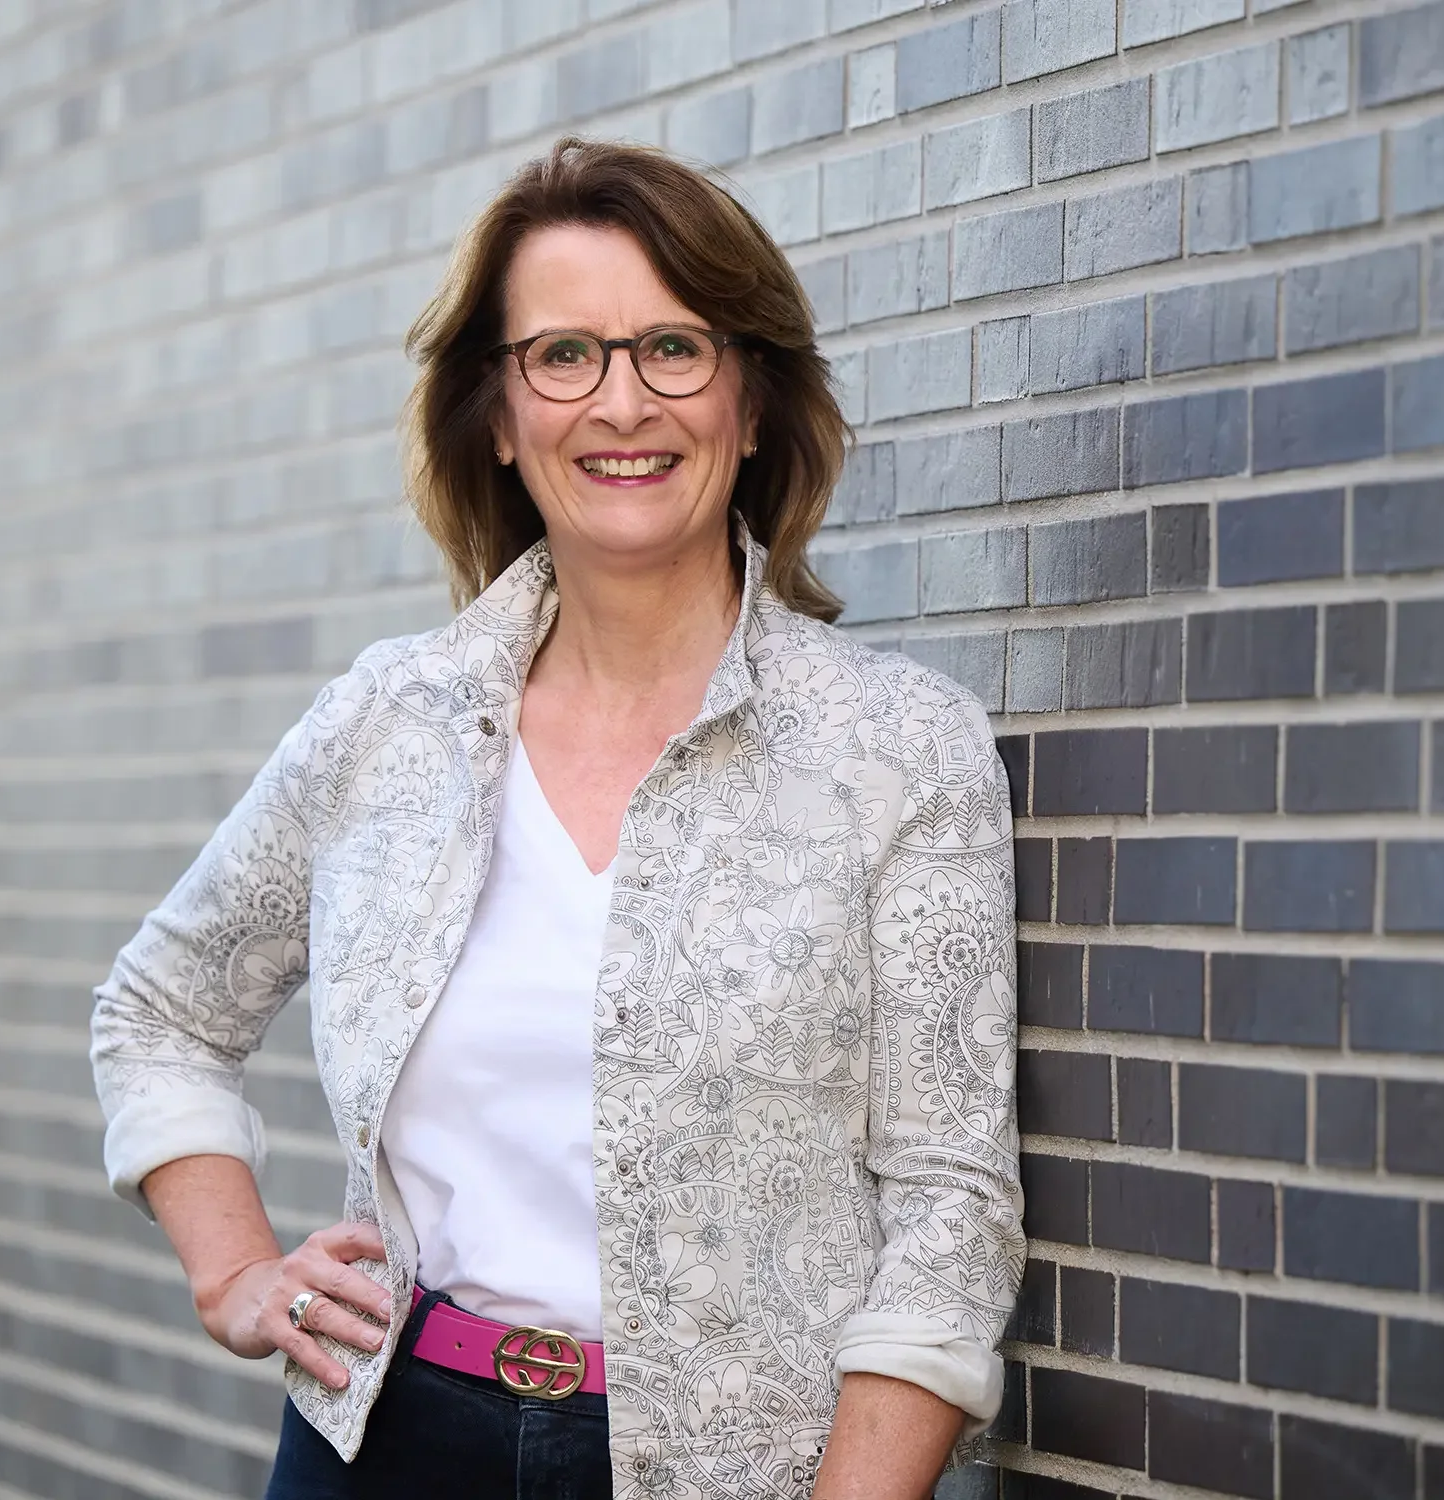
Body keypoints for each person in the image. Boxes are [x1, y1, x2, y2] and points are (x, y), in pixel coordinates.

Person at [91, 136, 1024, 1500]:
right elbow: (159, 1007)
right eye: (564, 355)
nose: (621, 402)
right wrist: (234, 1273)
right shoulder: (388, 724)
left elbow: (949, 1211)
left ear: (752, 403)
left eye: (672, 348)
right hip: (380, 1447)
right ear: (500, 416)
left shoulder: (896, 749)